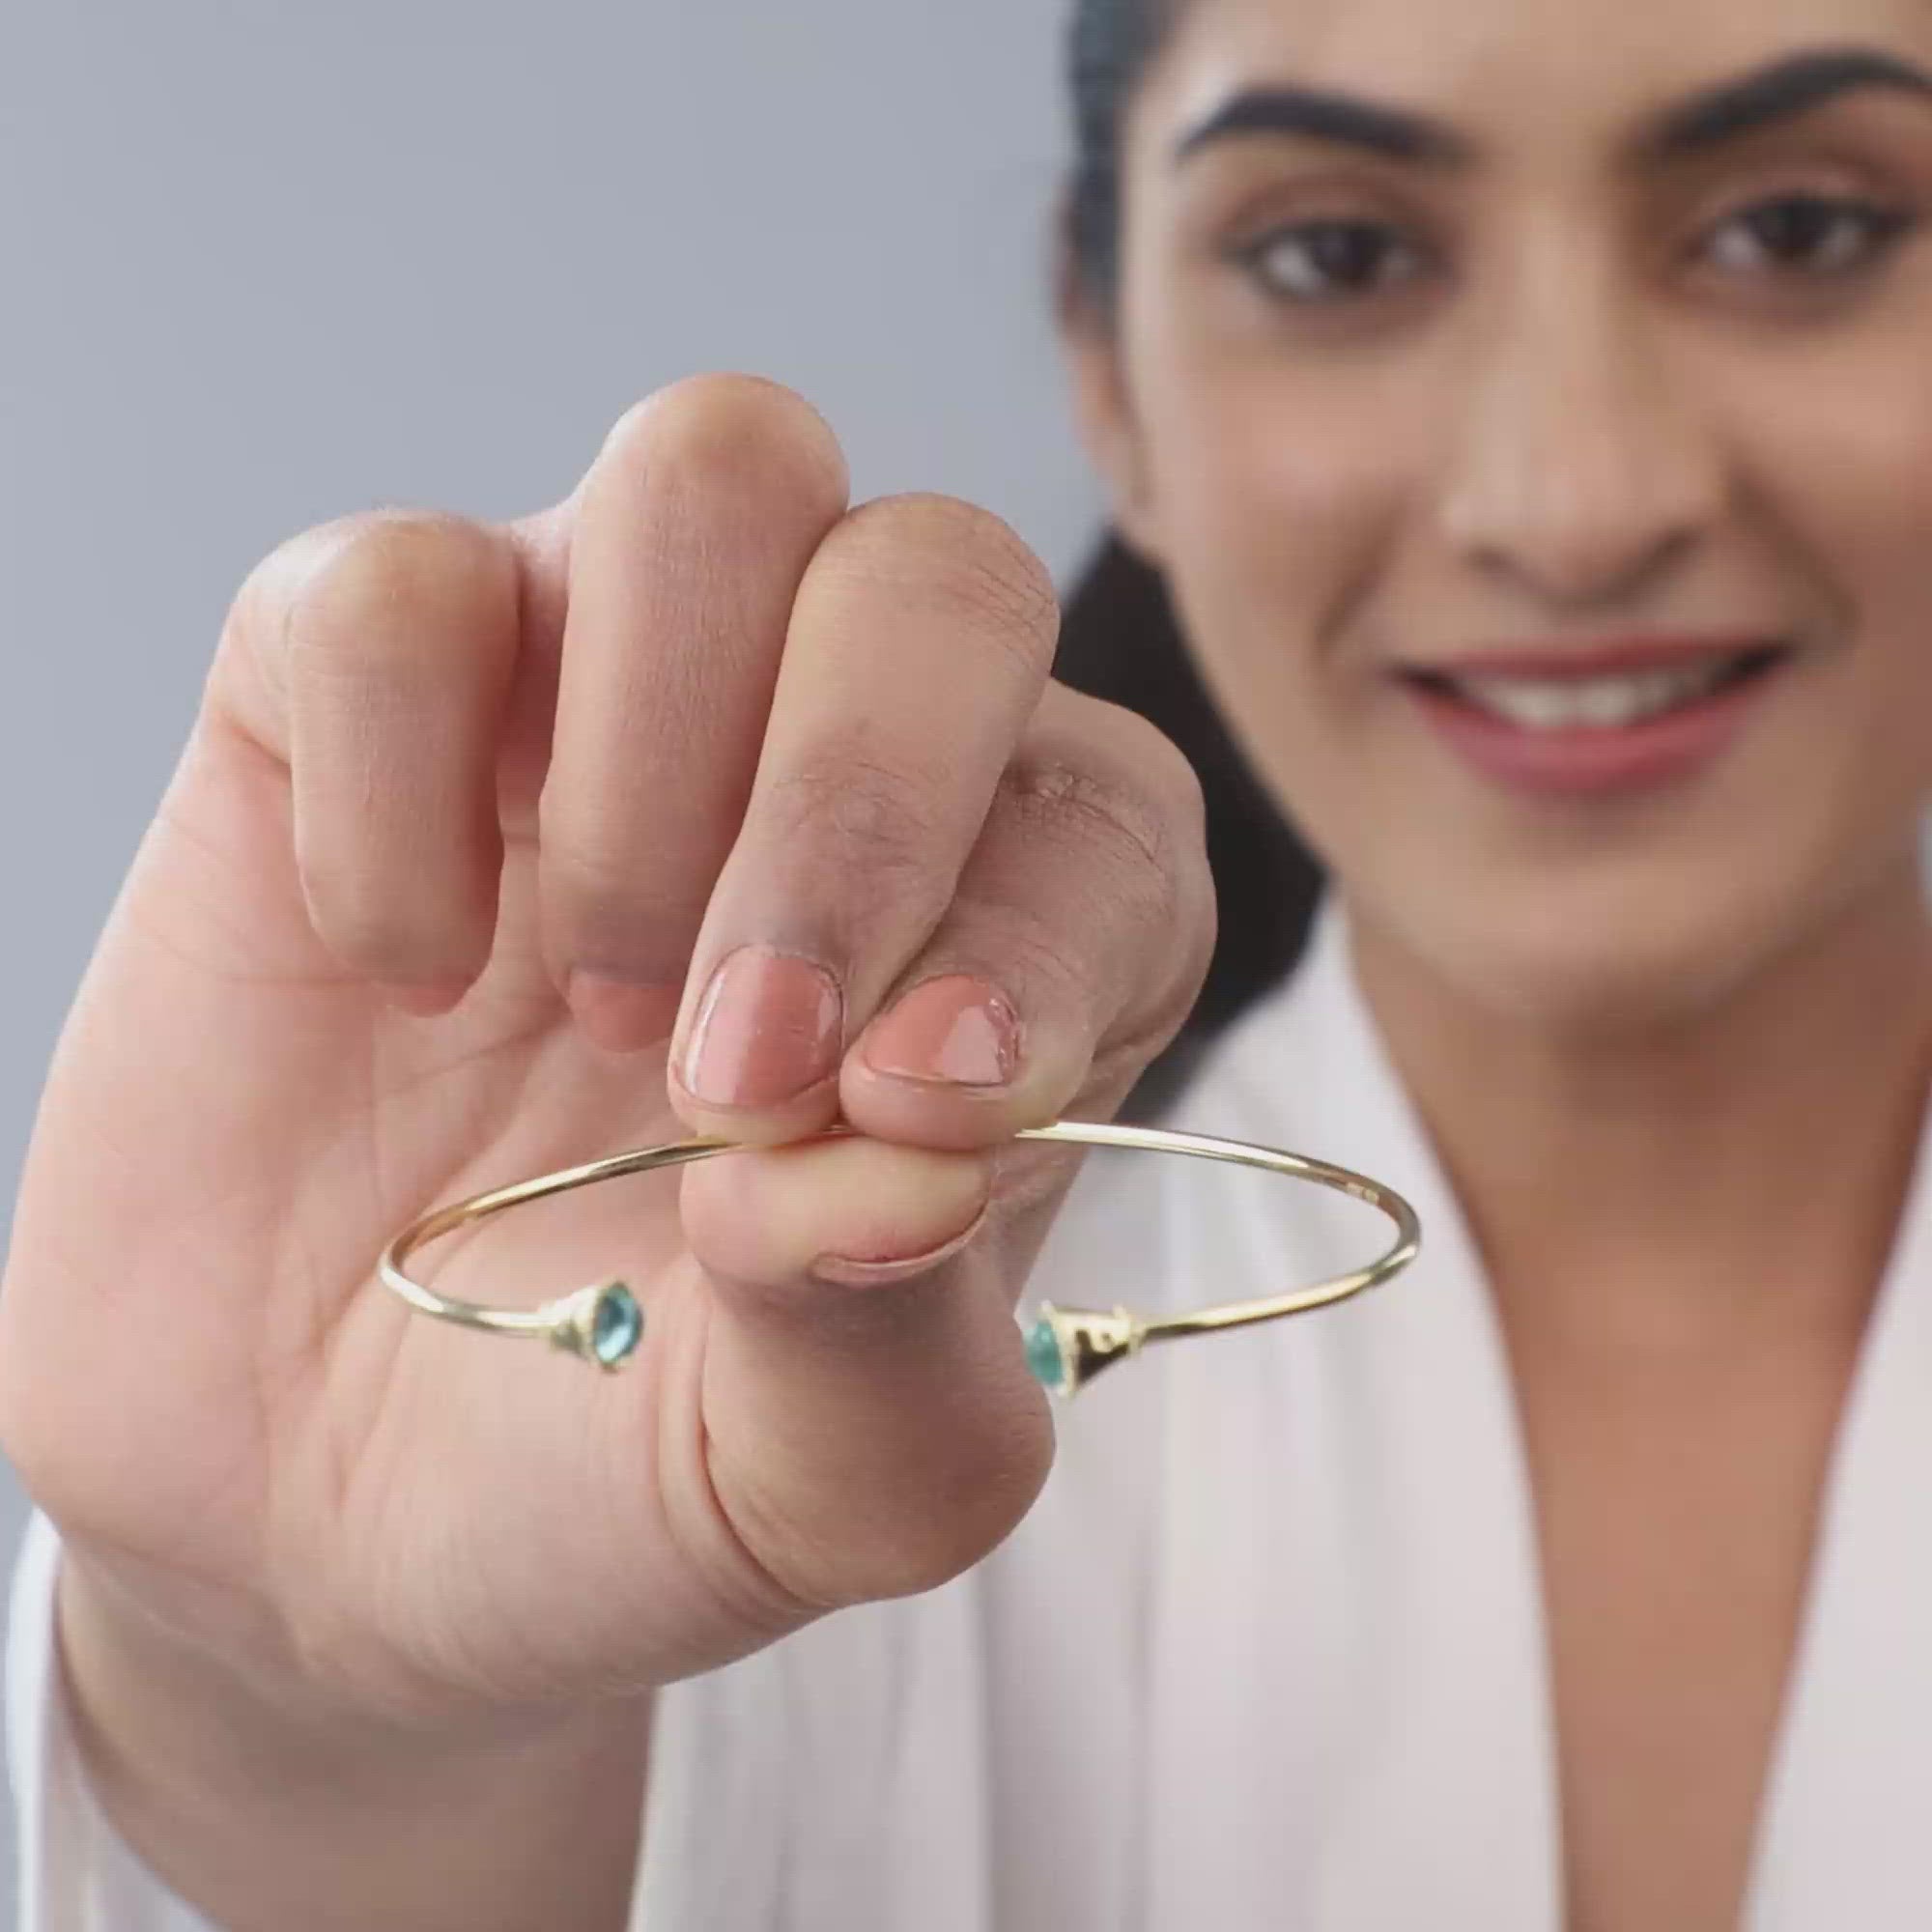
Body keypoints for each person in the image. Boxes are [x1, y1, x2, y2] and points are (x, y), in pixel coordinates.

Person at [9, 0, 1932, 1923]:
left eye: (1803, 230)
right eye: (1337, 255)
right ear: (1109, 373)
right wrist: (270, 1696)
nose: (1573, 505)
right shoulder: (769, 1410)